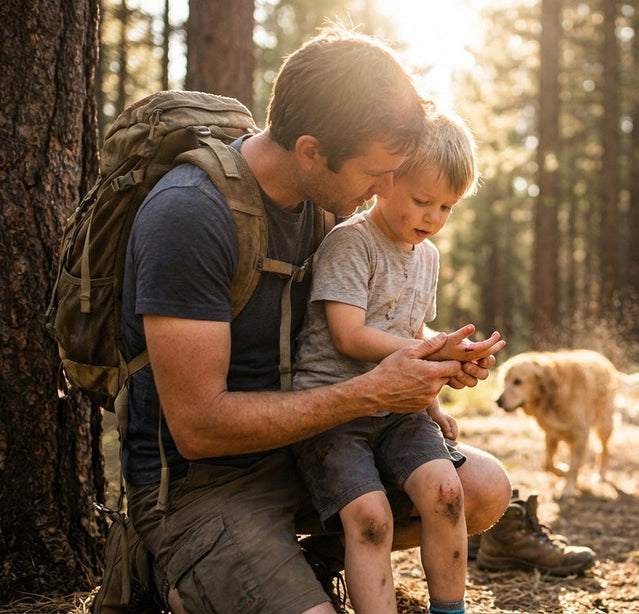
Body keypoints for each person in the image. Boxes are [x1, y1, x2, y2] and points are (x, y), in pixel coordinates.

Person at [120, 25, 512, 614]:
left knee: (480, 489)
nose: (387, 189)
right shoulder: (191, 215)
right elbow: (198, 428)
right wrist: (371, 391)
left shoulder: (327, 202)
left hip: (306, 445)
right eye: (376, 172)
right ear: (310, 151)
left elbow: (376, 322)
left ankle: (306, 562)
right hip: (204, 482)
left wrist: (437, 354)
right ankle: (180, 571)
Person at [291, 111, 499, 614]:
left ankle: (449, 609)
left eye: (446, 207)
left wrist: (444, 365)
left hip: (400, 408)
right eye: (422, 201)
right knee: (371, 518)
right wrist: (428, 351)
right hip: (337, 411)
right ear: (385, 182)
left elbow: (410, 331)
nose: (433, 218)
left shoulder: (427, 256)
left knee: (446, 492)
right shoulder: (352, 242)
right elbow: (348, 335)